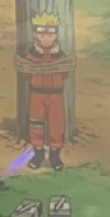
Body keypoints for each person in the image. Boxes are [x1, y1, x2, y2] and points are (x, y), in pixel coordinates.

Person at [24, 13, 68, 170]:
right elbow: (27, 72)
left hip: (56, 95)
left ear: (56, 36)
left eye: (50, 35)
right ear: (36, 35)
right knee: (36, 123)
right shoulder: (32, 55)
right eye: (42, 35)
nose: (46, 39)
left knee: (57, 123)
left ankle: (55, 154)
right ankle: (38, 153)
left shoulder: (60, 56)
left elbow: (65, 73)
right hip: (37, 94)